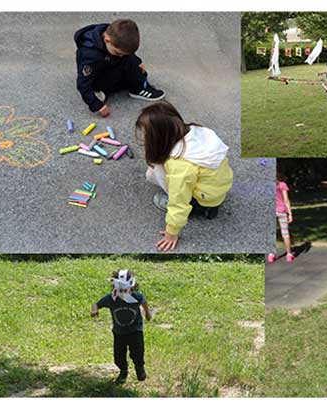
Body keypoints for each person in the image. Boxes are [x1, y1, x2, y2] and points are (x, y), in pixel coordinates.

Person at [139, 101, 233, 252]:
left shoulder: (180, 165)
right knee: (163, 169)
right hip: (218, 188)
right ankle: (209, 204)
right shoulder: (199, 131)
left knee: (152, 172)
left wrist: (171, 233)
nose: (145, 138)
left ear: (160, 136)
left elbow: (178, 201)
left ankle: (201, 210)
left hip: (204, 201)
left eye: (147, 134)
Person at [75, 19, 165, 118]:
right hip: (99, 78)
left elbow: (128, 55)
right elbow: (82, 84)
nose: (121, 55)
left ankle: (138, 88)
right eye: (118, 52)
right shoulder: (90, 55)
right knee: (128, 65)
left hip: (111, 65)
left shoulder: (116, 36)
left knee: (134, 66)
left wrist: (138, 62)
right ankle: (99, 92)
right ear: (107, 40)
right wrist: (96, 104)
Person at [91, 270, 152, 384]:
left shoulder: (137, 297)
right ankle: (123, 371)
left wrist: (147, 313)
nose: (123, 293)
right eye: (120, 290)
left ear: (132, 287)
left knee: (137, 353)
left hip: (135, 331)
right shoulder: (111, 298)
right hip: (119, 333)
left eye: (125, 290)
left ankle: (139, 368)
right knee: (118, 357)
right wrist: (94, 310)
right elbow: (96, 304)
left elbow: (144, 301)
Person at [268, 171, 294, 263]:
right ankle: (289, 254)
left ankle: (271, 254)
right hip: (282, 211)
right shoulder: (282, 185)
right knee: (285, 233)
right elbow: (286, 200)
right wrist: (290, 214)